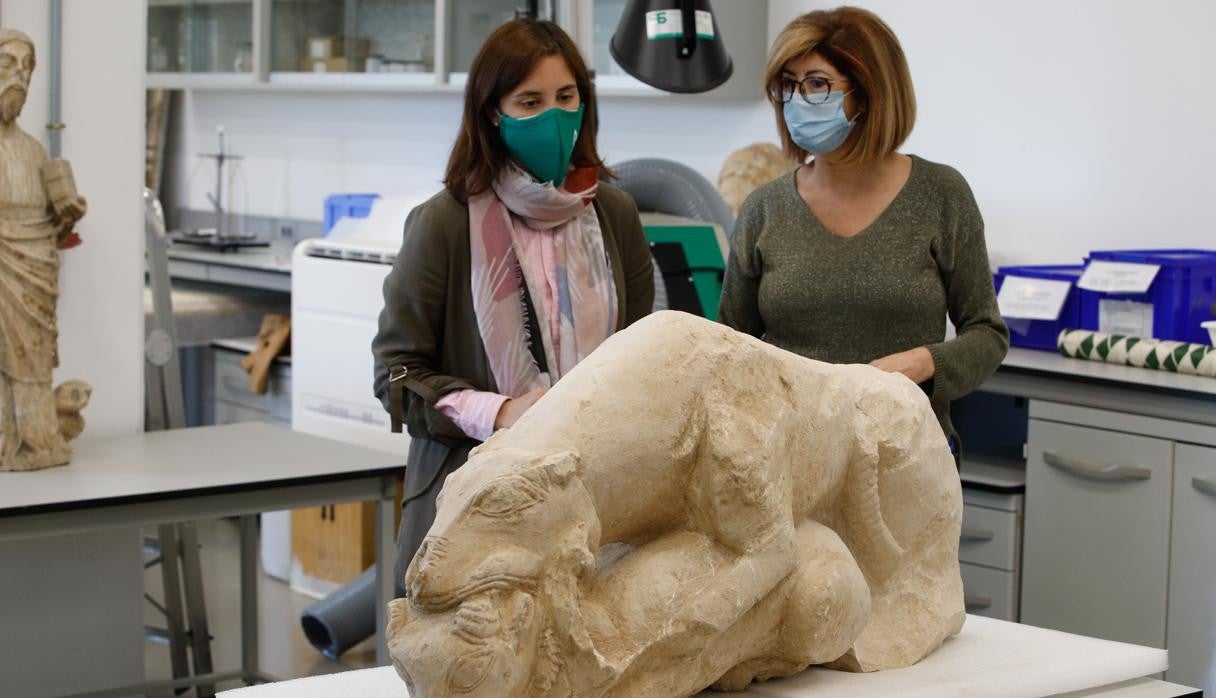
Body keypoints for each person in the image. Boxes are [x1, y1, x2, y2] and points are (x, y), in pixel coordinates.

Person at [372, 19, 654, 595]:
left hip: (599, 498)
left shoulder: (615, 214)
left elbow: (642, 356)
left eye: (566, 97)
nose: (554, 116)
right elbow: (396, 375)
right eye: (530, 101)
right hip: (471, 503)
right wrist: (501, 413)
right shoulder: (445, 223)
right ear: (492, 113)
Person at [718, 7, 1007, 455]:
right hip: (790, 457)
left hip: (905, 454)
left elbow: (987, 333)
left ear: (869, 92)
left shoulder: (941, 195)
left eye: (816, 84)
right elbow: (730, 346)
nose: (797, 100)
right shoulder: (764, 208)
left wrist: (923, 363)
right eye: (788, 86)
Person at [0, 28, 89, 471]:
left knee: (33, 357)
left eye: (26, 68)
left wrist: (66, 214)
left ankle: (37, 441)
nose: (18, 78)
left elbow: (51, 229)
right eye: (6, 65)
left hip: (34, 273)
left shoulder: (36, 151)